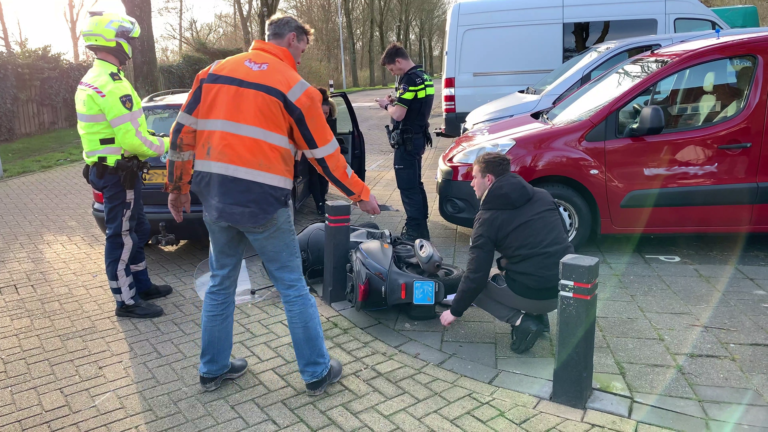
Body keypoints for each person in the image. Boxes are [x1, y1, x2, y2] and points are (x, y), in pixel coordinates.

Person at [165, 14, 381, 393]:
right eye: (302, 48)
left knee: (220, 284)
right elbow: (325, 154)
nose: (301, 56)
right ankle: (316, 372)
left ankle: (212, 368)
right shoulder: (295, 88)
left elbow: (181, 134)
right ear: (292, 39)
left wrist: (177, 188)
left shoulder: (213, 72)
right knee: (293, 287)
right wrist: (360, 194)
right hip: (264, 204)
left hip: (214, 198)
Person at [75, 11, 172, 319]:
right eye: (128, 39)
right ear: (114, 41)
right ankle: (126, 301)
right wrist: (169, 143)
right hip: (119, 175)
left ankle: (141, 285)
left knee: (138, 228)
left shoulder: (94, 78)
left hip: (115, 172)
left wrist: (151, 135)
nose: (130, 45)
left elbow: (128, 130)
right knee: (122, 237)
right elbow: (133, 143)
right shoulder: (112, 84)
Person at [439, 153, 574, 354]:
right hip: (562, 289)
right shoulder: (542, 195)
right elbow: (561, 238)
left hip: (536, 293)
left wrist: (455, 311)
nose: (471, 183)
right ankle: (539, 317)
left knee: (476, 286)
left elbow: (475, 275)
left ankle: (522, 321)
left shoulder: (487, 219)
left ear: (489, 179)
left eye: (475, 177)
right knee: (503, 270)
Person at [376, 43, 434, 241]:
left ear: (399, 61)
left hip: (407, 142)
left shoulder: (409, 80)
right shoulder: (424, 77)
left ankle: (413, 232)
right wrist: (395, 102)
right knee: (416, 185)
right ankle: (421, 230)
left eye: (392, 69)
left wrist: (386, 106)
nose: (393, 73)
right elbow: (414, 106)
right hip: (417, 138)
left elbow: (399, 115)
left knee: (407, 187)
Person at [307, 87, 336, 214]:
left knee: (324, 177)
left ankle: (322, 199)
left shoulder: (330, 122)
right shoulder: (308, 121)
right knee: (314, 176)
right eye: (322, 113)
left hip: (323, 152)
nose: (324, 116)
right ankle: (319, 204)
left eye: (327, 113)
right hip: (310, 152)